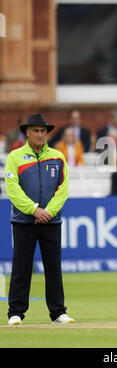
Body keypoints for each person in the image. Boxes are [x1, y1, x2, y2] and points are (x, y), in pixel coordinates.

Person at [4, 113, 75, 326]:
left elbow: (63, 189)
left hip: (51, 222)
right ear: (27, 132)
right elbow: (12, 189)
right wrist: (34, 210)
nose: (39, 134)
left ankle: (58, 313)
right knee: (21, 268)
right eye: (35, 130)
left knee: (53, 267)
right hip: (24, 221)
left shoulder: (57, 156)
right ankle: (15, 312)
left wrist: (48, 212)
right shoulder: (15, 156)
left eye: (43, 131)